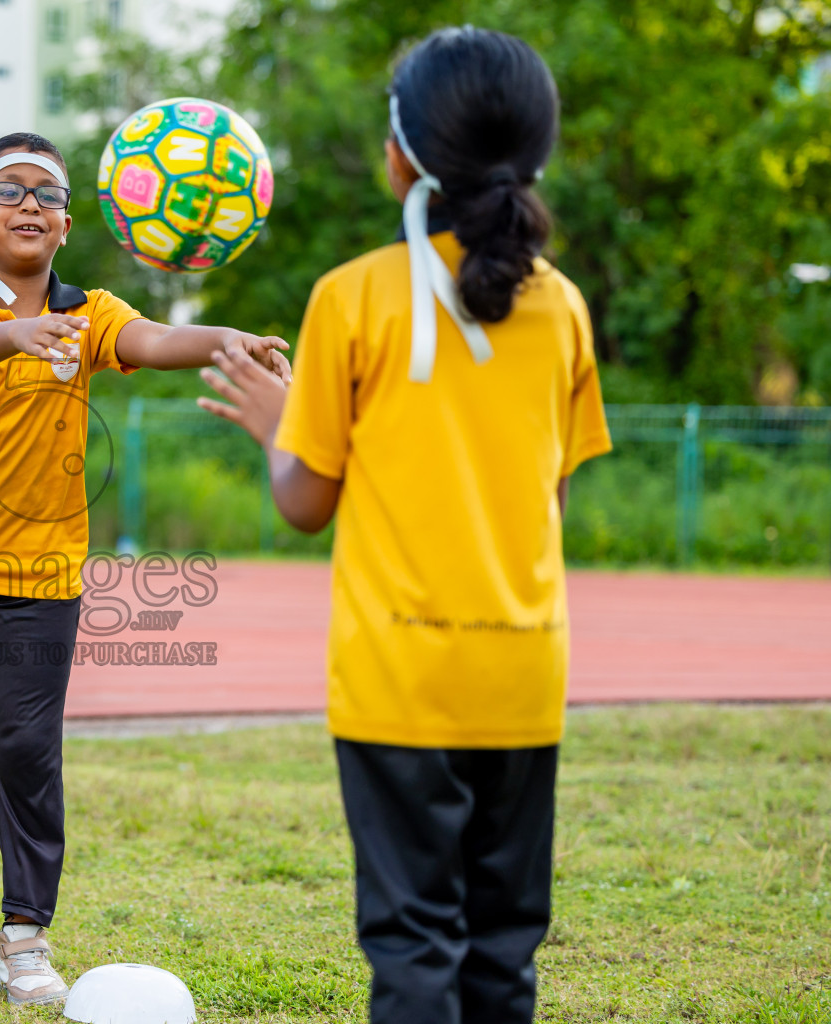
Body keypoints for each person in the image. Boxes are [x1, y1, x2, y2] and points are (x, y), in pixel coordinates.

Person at [198, 27, 611, 1024]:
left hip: (397, 679)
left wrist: (271, 425)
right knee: (505, 948)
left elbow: (306, 503)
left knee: (414, 941)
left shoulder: (352, 297)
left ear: (402, 155)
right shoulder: (561, 308)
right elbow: (546, 505)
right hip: (522, 671)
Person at [0, 131, 291, 1008]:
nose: (29, 203)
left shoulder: (94, 311)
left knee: (26, 749)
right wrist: (19, 335)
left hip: (42, 576)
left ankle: (25, 935)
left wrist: (237, 341)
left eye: (48, 193)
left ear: (69, 224)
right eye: (8, 190)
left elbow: (155, 341)